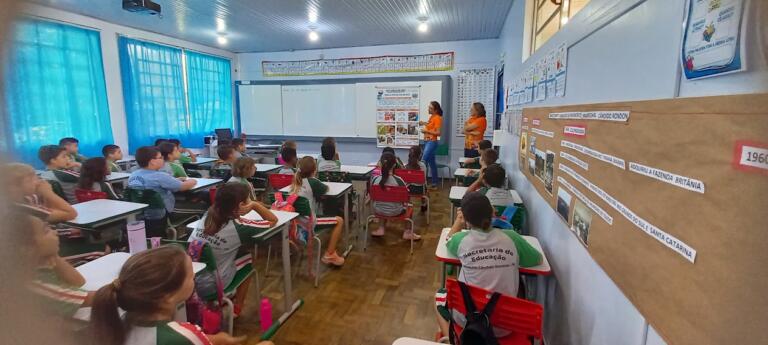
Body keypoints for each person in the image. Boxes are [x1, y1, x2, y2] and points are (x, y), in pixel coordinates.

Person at [90, 245, 252, 345]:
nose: (194, 278)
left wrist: (211, 340)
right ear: (167, 296)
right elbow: (184, 339)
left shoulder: (119, 324)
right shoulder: (183, 334)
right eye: (191, 276)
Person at [435, 192, 542, 339]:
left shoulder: (461, 240)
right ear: (492, 212)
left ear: (465, 219)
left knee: (439, 295)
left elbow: (448, 239)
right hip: (505, 326)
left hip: (467, 321)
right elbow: (537, 259)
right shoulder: (511, 238)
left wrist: (458, 222)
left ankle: (455, 338)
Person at [189, 183, 277, 315]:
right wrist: (255, 205)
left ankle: (218, 301)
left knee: (235, 253)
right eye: (248, 199)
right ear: (241, 205)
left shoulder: (208, 215)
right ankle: (237, 308)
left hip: (191, 281)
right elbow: (273, 220)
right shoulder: (240, 227)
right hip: (214, 285)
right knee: (248, 259)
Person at [16, 213, 91, 318]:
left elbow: (79, 282)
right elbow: (99, 299)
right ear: (28, 249)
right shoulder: (37, 286)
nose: (55, 232)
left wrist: (54, 255)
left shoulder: (37, 265)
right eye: (46, 231)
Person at [127, 146, 197, 236]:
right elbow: (183, 187)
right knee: (203, 207)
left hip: (142, 214)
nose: (163, 159)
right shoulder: (160, 176)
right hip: (164, 212)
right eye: (160, 157)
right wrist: (192, 181)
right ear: (152, 161)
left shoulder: (133, 175)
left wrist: (174, 180)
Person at [289, 156, 346, 266]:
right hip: (308, 223)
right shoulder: (313, 182)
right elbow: (326, 189)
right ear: (314, 170)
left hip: (295, 222)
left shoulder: (295, 183)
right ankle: (329, 254)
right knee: (339, 221)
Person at [3, 163, 77, 223]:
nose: (37, 182)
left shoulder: (29, 198)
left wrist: (45, 196)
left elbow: (52, 211)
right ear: (13, 188)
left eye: (36, 177)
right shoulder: (21, 209)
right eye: (30, 180)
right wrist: (49, 193)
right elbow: (71, 213)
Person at [370, 152, 419, 240]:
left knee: (384, 201)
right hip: (396, 211)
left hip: (378, 210)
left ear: (380, 163)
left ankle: (381, 228)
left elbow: (372, 196)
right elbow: (406, 198)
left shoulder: (375, 179)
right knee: (410, 206)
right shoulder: (399, 180)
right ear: (394, 165)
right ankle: (407, 232)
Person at [419, 101, 443, 188]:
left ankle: (420, 183)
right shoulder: (432, 117)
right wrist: (424, 123)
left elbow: (438, 133)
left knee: (423, 161)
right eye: (428, 107)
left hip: (431, 142)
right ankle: (434, 183)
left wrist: (426, 130)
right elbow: (431, 126)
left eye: (430, 108)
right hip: (428, 141)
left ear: (435, 110)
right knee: (432, 164)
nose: (428, 109)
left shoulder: (437, 118)